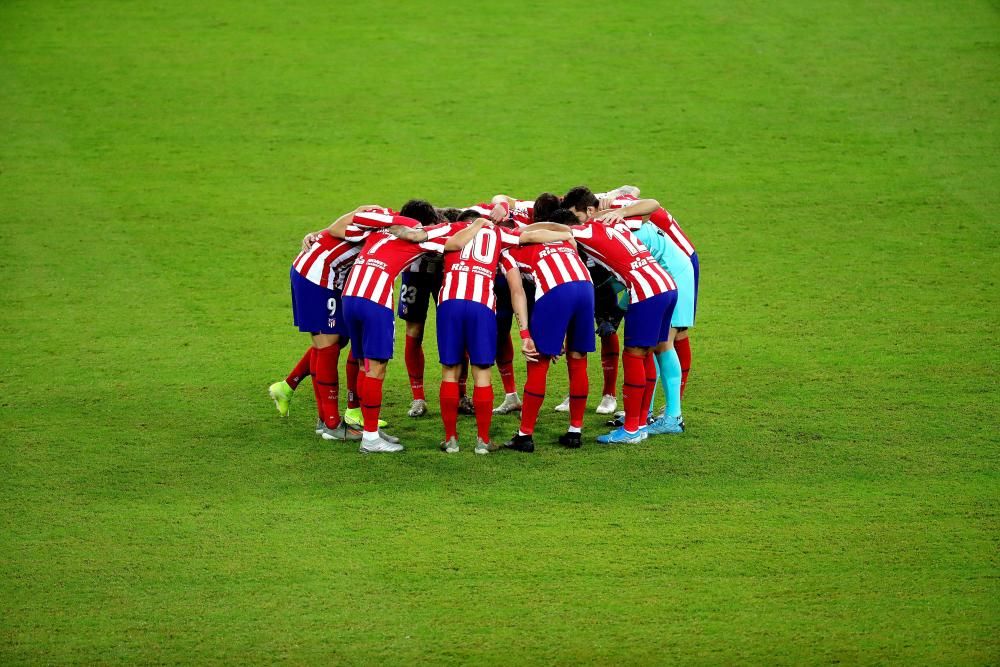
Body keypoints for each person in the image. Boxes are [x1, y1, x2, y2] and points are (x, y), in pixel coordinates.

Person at [389, 210, 572, 453]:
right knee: (482, 373)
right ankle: (482, 442)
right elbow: (521, 271)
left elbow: (416, 236)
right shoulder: (499, 235)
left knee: (450, 372)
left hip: (450, 304)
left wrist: (392, 227)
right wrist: (567, 232)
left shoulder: (451, 230)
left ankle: (451, 440)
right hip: (482, 306)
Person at [332, 201, 487, 453]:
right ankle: (371, 439)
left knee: (364, 364)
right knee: (376, 368)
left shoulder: (379, 231)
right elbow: (456, 243)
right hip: (374, 299)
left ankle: (368, 428)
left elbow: (340, 230)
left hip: (350, 297)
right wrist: (478, 223)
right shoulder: (421, 239)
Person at [563, 189, 689, 435]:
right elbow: (641, 201)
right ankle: (643, 421)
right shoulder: (613, 220)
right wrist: (619, 210)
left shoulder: (586, 228)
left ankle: (635, 429)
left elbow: (651, 202)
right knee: (650, 351)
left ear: (587, 211)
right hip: (664, 282)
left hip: (653, 285)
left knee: (637, 354)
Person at [271, 206, 376, 441]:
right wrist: (321, 233)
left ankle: (299, 398)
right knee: (327, 345)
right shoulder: (382, 224)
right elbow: (341, 226)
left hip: (322, 274)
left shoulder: (382, 222)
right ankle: (330, 424)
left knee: (337, 339)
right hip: (317, 277)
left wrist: (319, 234)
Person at [500, 229, 593, 452]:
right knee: (578, 357)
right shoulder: (558, 237)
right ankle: (575, 432)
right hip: (586, 287)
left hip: (556, 290)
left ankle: (525, 436)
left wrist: (525, 334)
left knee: (537, 361)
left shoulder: (505, 251)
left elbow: (518, 292)